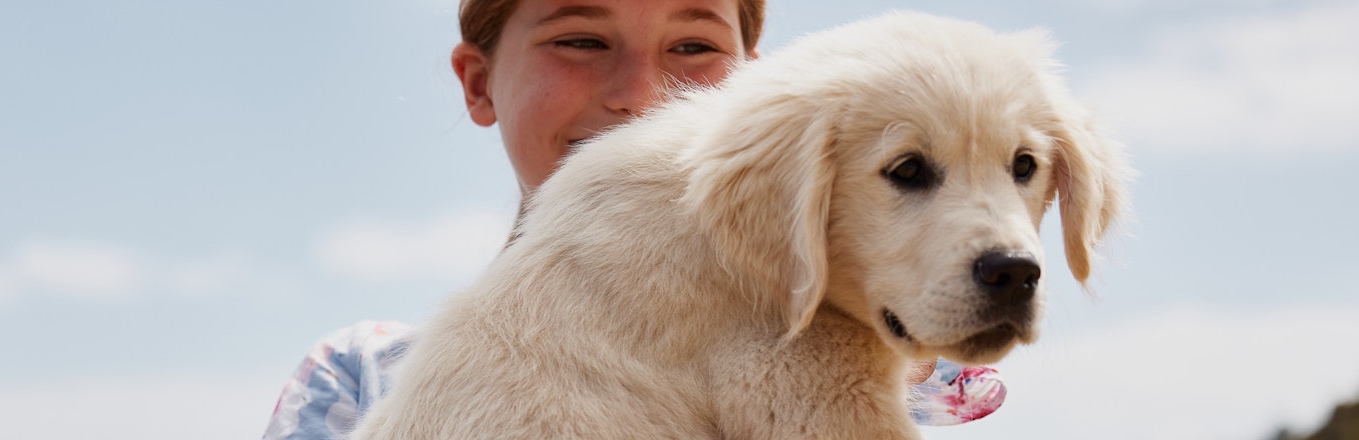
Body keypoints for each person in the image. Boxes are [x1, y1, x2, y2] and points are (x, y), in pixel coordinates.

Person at [263, 1, 1005, 438]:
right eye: (580, 41)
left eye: (694, 46)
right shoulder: (364, 377)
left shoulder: (936, 377)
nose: (644, 96)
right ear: (480, 81)